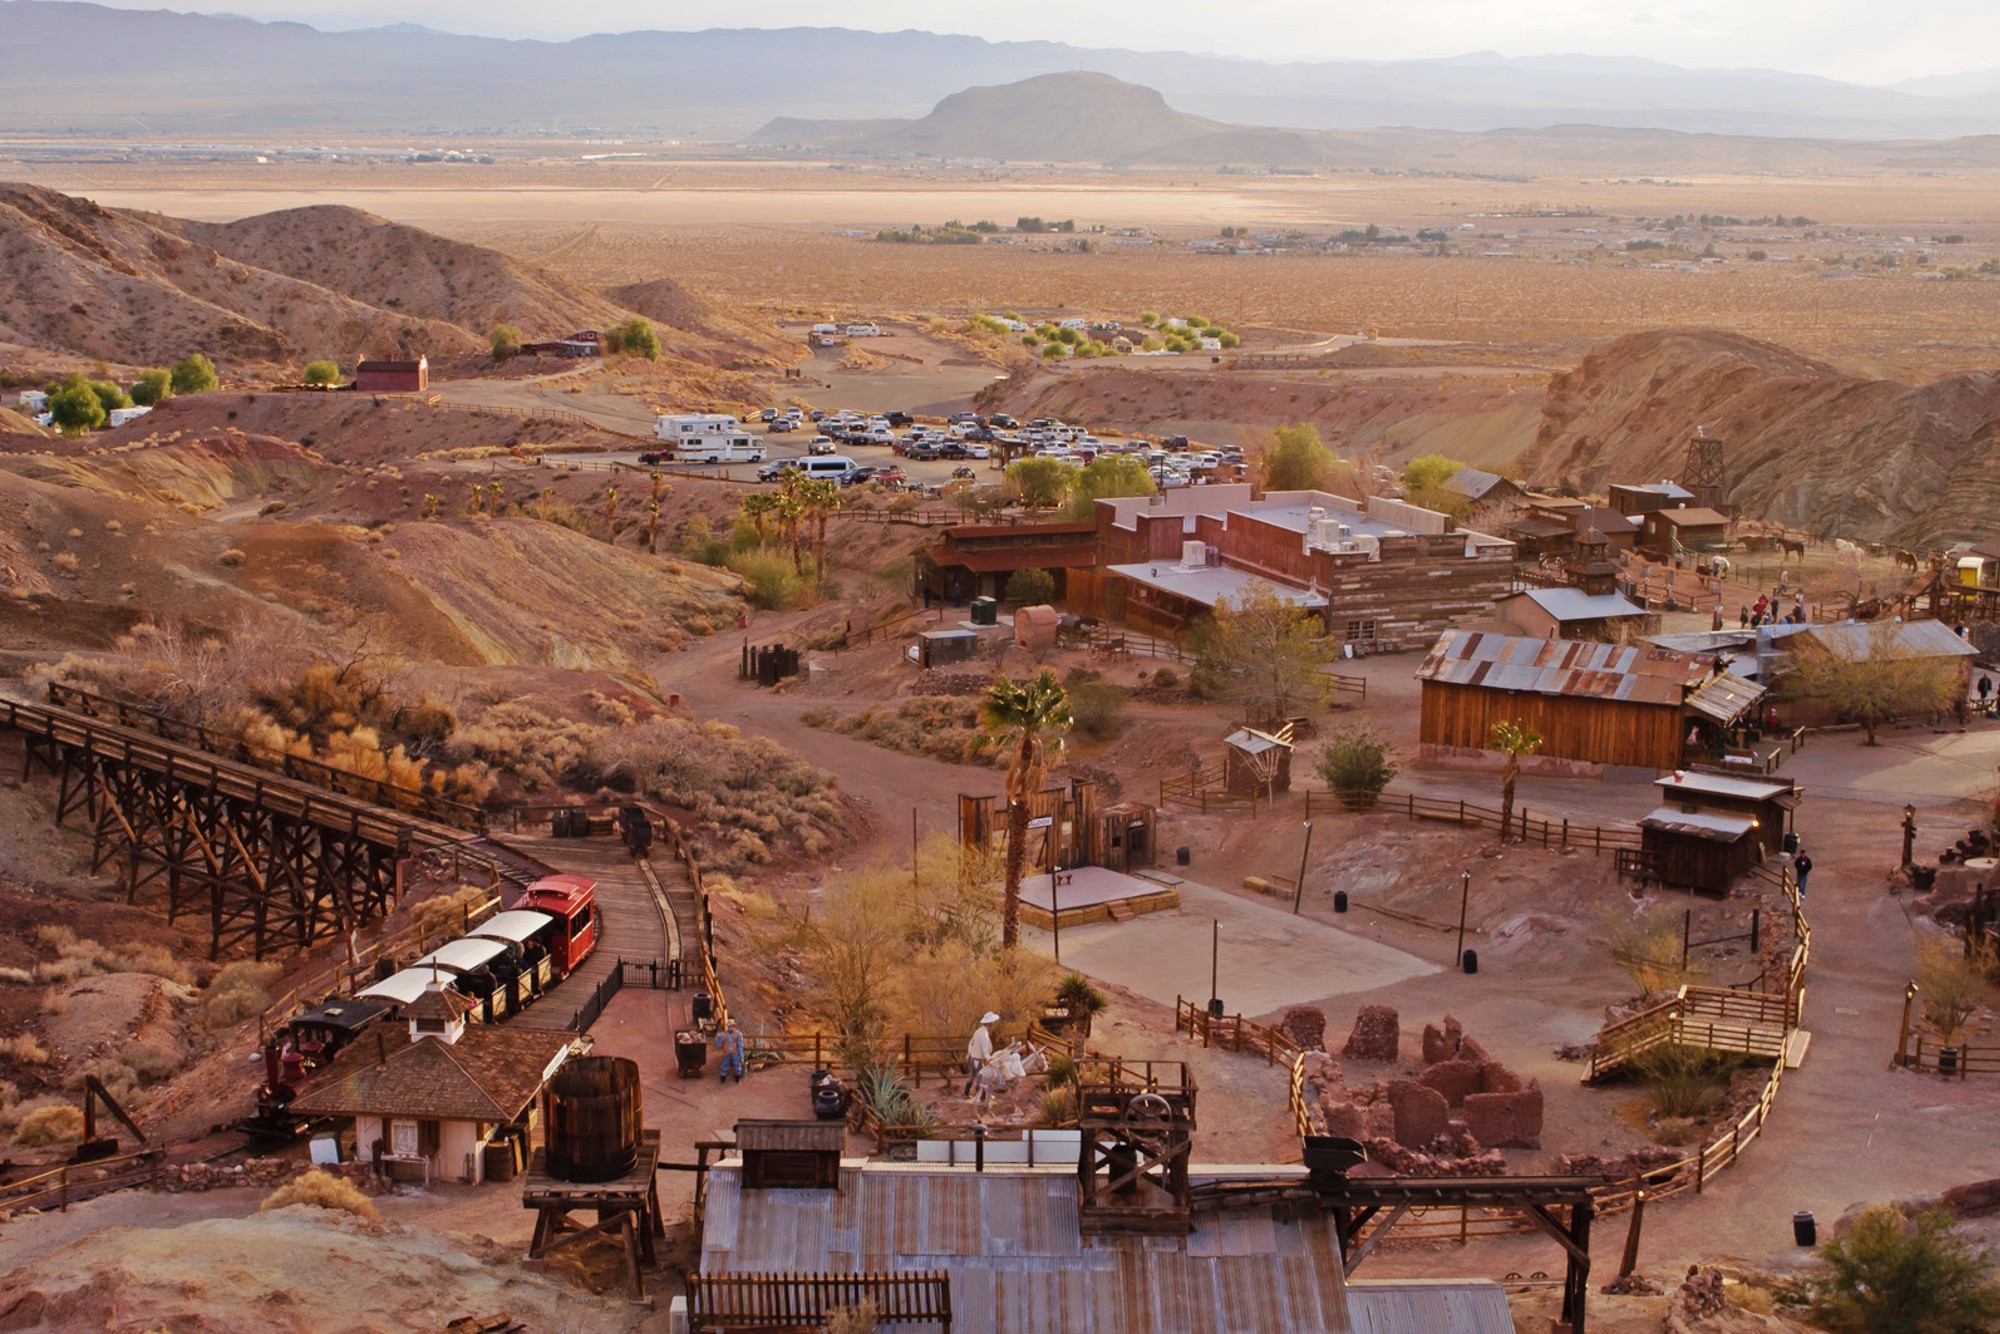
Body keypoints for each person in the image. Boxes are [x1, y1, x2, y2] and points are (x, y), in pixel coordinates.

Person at [963, 1010, 997, 1096]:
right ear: (990, 1022)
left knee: (972, 1076)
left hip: (973, 1058)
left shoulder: (978, 1031)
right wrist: (991, 1060)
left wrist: (970, 1052)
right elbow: (985, 1052)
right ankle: (981, 1095)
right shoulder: (984, 1034)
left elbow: (971, 1043)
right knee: (982, 1077)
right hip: (977, 1060)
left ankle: (966, 1093)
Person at [714, 1019, 745, 1084]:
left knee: (737, 1066)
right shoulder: (723, 1034)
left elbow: (740, 1046)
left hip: (735, 1053)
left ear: (734, 1026)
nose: (730, 1027)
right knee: (724, 1066)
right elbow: (718, 1045)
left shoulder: (738, 1034)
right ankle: (723, 1079)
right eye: (729, 1026)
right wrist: (718, 1038)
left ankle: (737, 1078)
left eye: (731, 1026)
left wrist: (741, 1057)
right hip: (726, 1053)